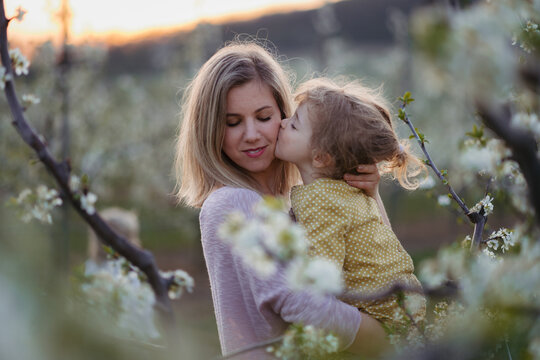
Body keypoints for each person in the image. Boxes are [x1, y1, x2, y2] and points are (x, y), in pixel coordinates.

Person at [175, 42, 389, 359]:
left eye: (263, 117)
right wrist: (379, 336)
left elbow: (382, 264)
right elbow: (298, 303)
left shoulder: (292, 202)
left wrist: (371, 196)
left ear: (284, 116)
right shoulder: (230, 204)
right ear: (210, 130)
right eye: (232, 122)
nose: (251, 134)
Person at [275, 77, 426, 330]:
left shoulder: (320, 200)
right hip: (407, 309)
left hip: (388, 321)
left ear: (321, 157)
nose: (282, 123)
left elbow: (320, 280)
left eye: (294, 125)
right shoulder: (346, 191)